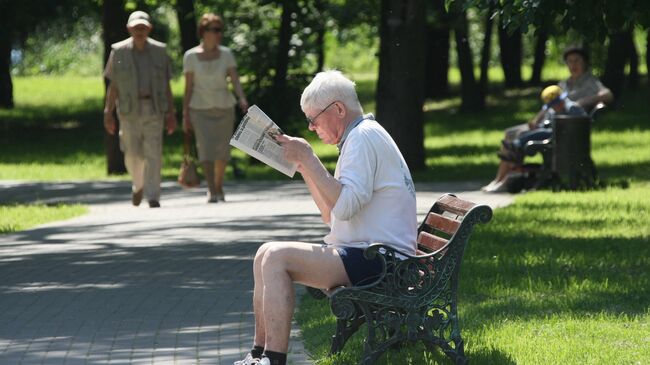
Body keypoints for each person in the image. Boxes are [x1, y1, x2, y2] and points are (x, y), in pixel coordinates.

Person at [234, 70, 417, 365]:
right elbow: (330, 215)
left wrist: (309, 157)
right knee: (264, 252)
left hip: (382, 260)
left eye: (314, 118)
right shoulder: (359, 136)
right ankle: (258, 354)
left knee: (277, 257)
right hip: (369, 254)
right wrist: (304, 167)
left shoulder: (362, 139)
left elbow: (343, 208)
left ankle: (273, 358)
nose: (311, 126)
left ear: (339, 109)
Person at [482, 46, 613, 192]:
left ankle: (504, 181)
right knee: (509, 133)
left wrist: (583, 101)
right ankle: (499, 179)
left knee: (517, 137)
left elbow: (608, 95)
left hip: (565, 129)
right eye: (570, 61)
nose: (573, 64)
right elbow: (548, 105)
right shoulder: (563, 84)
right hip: (547, 122)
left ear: (585, 62)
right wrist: (536, 120)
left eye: (577, 60)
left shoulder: (590, 82)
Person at [103, 10, 177, 208]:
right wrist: (108, 113)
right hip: (128, 110)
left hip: (154, 108)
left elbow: (167, 85)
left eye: (143, 27)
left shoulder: (160, 51)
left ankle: (153, 196)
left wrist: (171, 113)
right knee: (132, 153)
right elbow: (114, 85)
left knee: (154, 152)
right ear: (129, 29)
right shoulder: (118, 51)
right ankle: (138, 185)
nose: (140, 31)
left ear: (149, 28)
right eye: (136, 28)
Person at [182, 13, 248, 203]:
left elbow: (234, 80)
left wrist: (242, 98)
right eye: (215, 30)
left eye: (220, 30)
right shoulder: (191, 56)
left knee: (222, 151)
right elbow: (188, 88)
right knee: (205, 149)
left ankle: (219, 184)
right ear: (203, 32)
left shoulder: (226, 54)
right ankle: (211, 189)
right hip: (199, 109)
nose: (219, 34)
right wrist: (185, 113)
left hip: (224, 107)